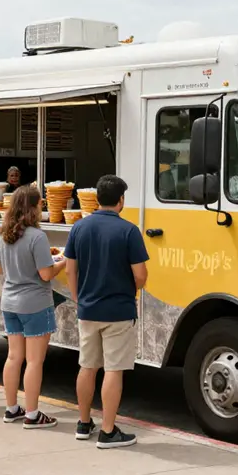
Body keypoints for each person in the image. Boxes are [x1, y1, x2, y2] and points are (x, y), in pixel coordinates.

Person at [64, 175, 149, 448]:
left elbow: (69, 269)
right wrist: (129, 289)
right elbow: (141, 275)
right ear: (121, 200)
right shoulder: (129, 231)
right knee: (113, 370)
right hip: (118, 311)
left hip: (87, 310)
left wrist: (79, 298)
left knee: (87, 366)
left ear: (97, 198)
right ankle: (108, 431)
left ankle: (83, 422)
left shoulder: (79, 228)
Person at [0, 185, 66, 429]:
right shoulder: (37, 236)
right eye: (40, 204)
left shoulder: (3, 232)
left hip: (10, 301)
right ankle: (33, 414)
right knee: (35, 362)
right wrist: (62, 263)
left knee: (14, 357)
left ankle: (11, 408)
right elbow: (46, 274)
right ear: (33, 207)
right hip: (35, 303)